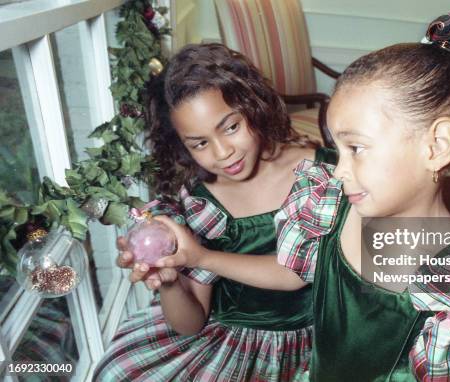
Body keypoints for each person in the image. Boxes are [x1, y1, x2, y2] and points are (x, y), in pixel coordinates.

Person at [274, 9, 450, 381]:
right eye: (337, 149)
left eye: (356, 147)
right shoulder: (331, 207)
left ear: (436, 146)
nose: (338, 170)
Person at [93, 43, 336, 381]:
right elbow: (189, 324)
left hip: (321, 343)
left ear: (254, 107)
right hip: (231, 344)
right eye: (200, 143)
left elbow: (296, 271)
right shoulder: (200, 200)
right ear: (182, 146)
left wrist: (201, 257)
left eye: (231, 127)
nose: (222, 153)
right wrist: (169, 278)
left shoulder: (320, 174)